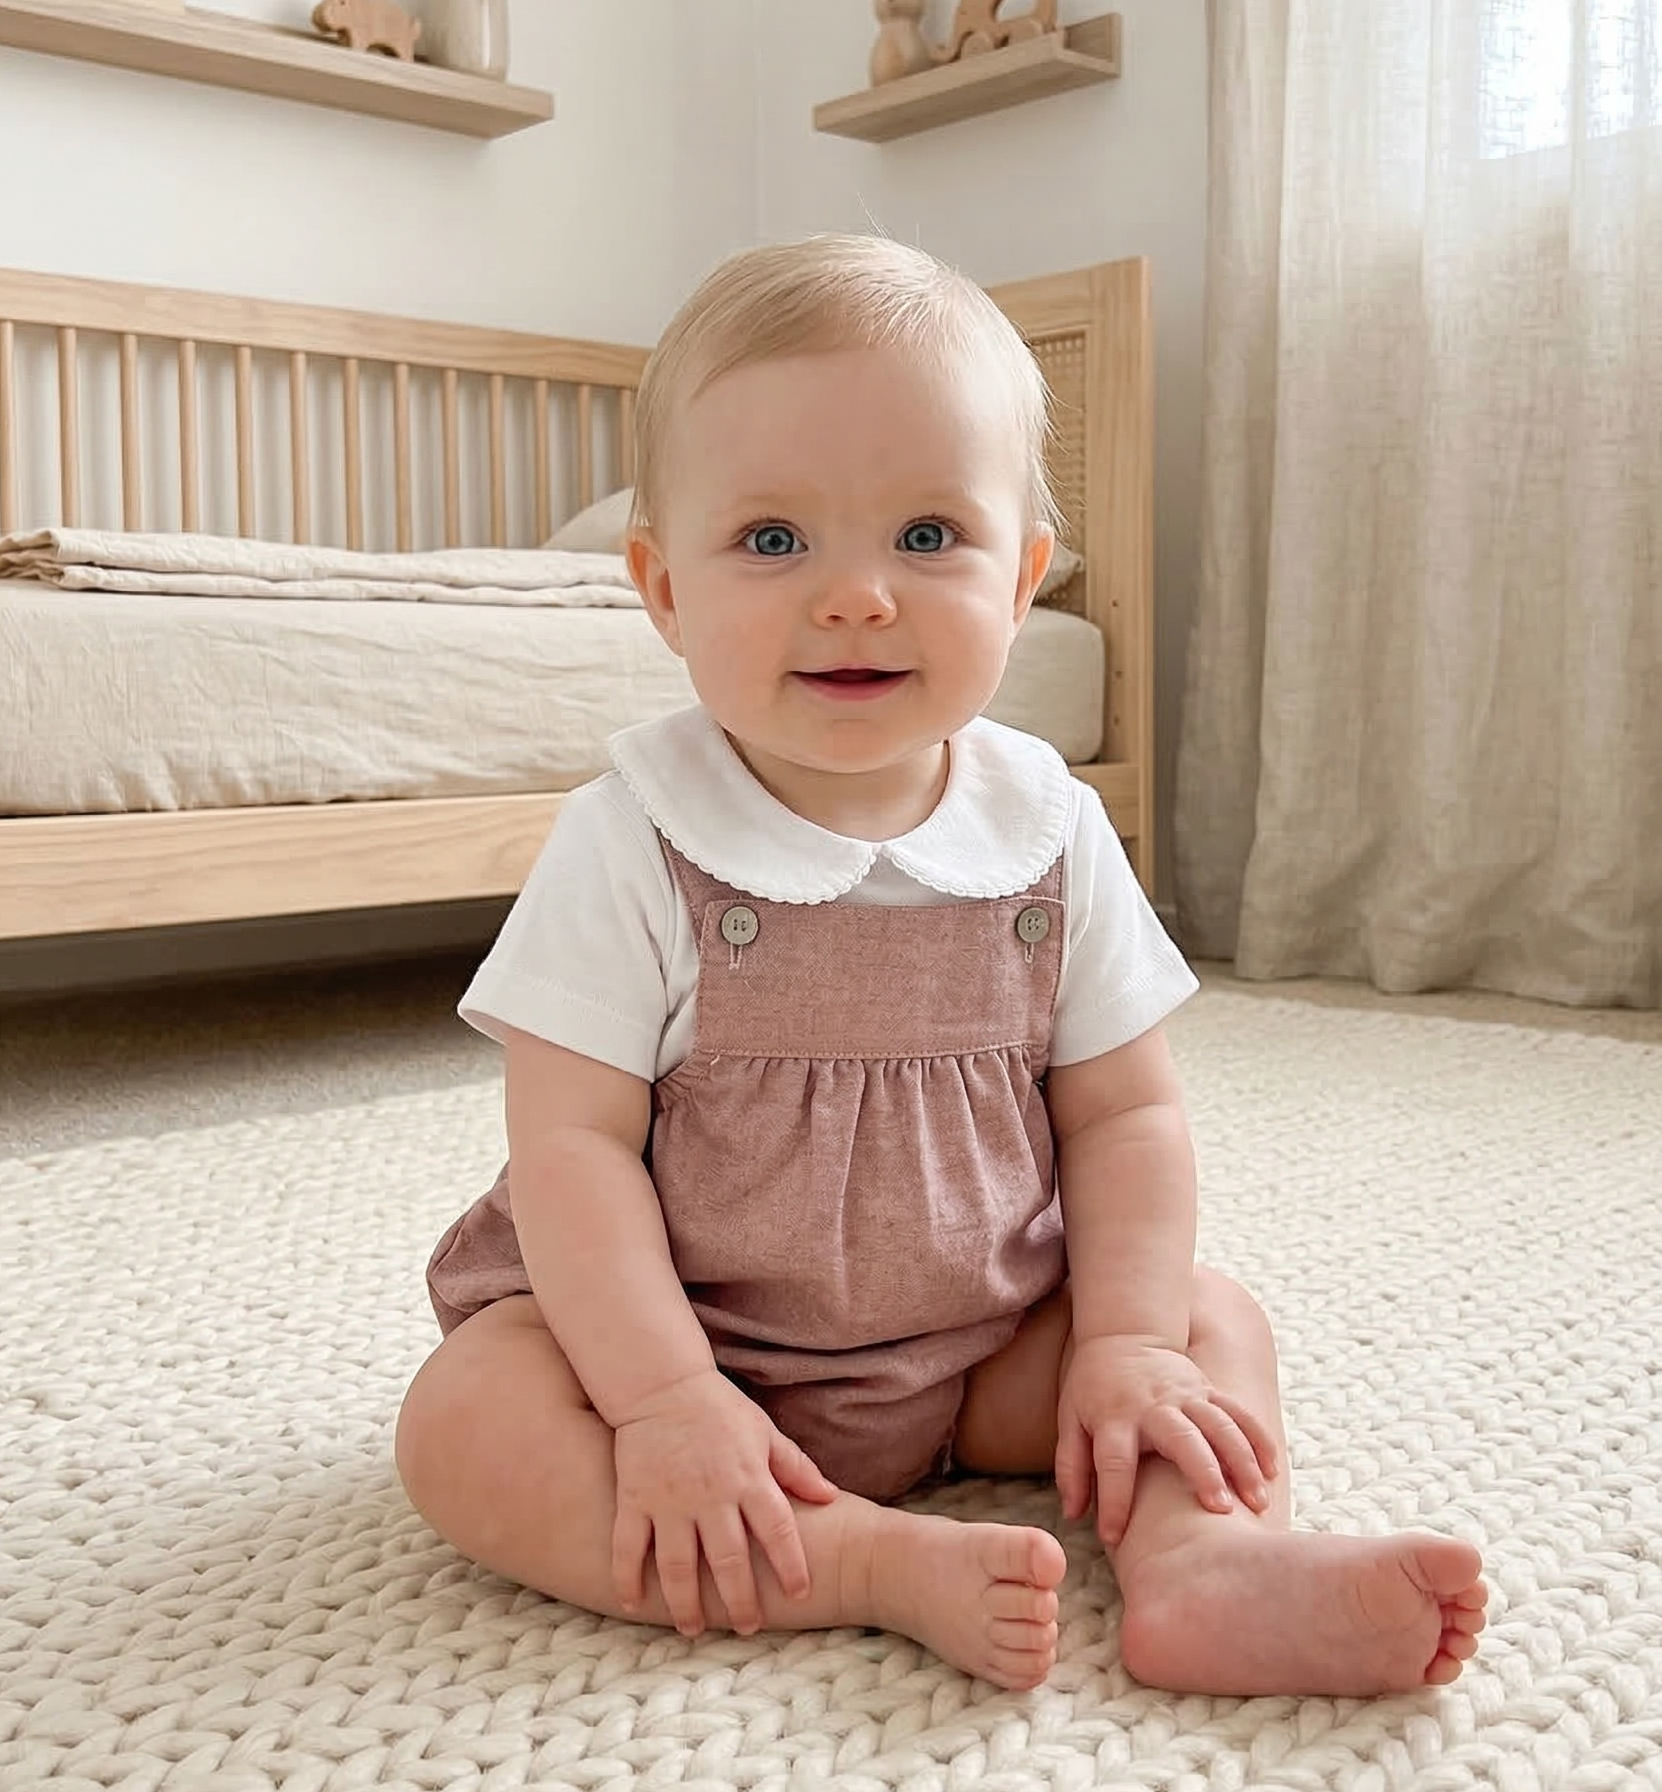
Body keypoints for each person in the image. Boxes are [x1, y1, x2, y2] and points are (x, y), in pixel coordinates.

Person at [395, 234, 1487, 1696]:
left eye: (925, 536)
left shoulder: (1048, 828)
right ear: (661, 590)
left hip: (981, 1352)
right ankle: (852, 1561)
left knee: (1208, 1320)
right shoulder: (633, 836)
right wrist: (660, 1402)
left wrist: (1123, 1345)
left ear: (1022, 579)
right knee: (467, 1422)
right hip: (688, 1344)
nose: (857, 595)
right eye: (772, 541)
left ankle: (1203, 1566)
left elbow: (1125, 1114)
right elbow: (571, 1153)